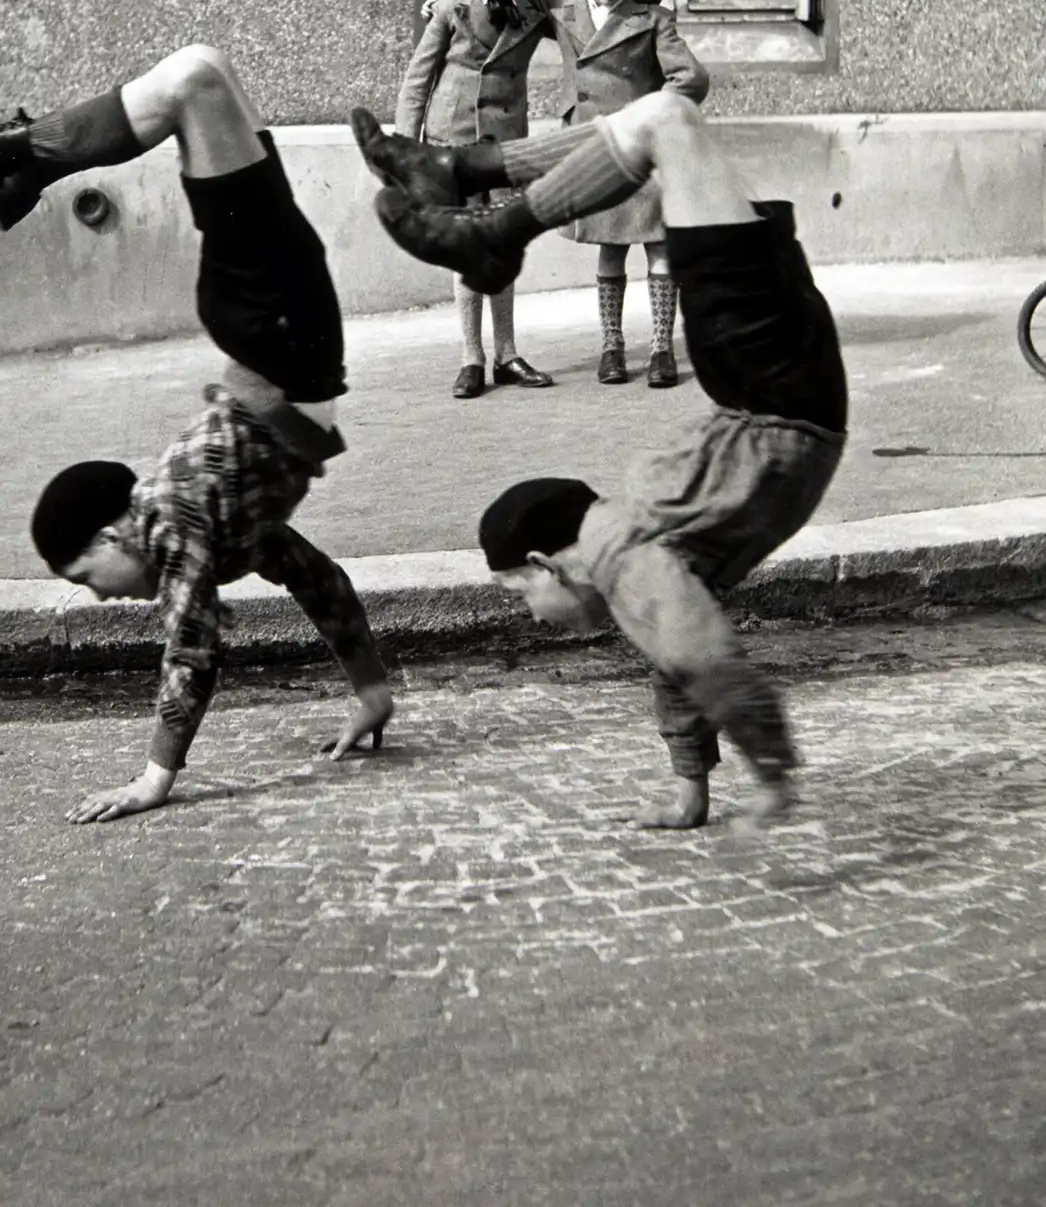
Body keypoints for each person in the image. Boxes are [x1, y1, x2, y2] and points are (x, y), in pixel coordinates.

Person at [0, 45, 395, 823]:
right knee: (201, 78)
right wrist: (372, 692)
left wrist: (155, 777)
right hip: (282, 329)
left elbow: (193, 648)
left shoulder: (177, 518)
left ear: (115, 533)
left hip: (277, 328)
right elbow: (319, 579)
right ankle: (7, 176)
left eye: (87, 578)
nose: (103, 598)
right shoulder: (227, 531)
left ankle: (2, 165)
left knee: (195, 80)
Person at [350, 87, 847, 828]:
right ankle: (464, 182)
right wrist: (693, 787)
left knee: (667, 121)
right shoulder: (631, 553)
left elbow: (695, 652)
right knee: (667, 121)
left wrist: (770, 770)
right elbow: (677, 655)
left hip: (775, 381)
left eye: (520, 592)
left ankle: (485, 219)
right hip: (767, 378)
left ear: (551, 563)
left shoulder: (617, 551)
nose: (531, 614)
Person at [394, 0, 558, 399]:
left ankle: (507, 354)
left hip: (505, 144)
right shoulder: (451, 6)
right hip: (454, 139)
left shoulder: (533, 4)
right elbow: (417, 80)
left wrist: (643, 2)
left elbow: (580, 10)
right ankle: (472, 357)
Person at [552, 0, 708, 388]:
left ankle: (662, 348)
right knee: (610, 246)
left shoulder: (653, 18)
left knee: (659, 244)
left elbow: (692, 79)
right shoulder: (564, 12)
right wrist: (441, 1)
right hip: (596, 148)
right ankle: (612, 347)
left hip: (644, 150)